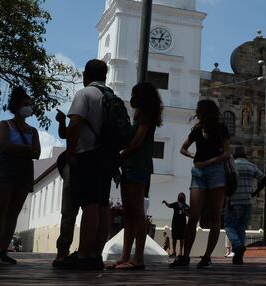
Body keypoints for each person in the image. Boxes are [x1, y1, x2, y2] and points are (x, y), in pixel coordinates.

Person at [58, 59, 117, 270]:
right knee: (103, 206)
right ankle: (96, 254)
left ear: (86, 75)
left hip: (88, 156)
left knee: (90, 206)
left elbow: (74, 125)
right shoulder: (111, 96)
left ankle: (83, 254)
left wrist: (71, 152)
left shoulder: (85, 94)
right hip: (108, 158)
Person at [0, 87, 40, 265]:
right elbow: (4, 145)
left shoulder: (33, 131)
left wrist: (19, 149)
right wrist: (25, 149)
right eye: (25, 104)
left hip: (24, 171)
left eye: (30, 104)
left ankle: (3, 250)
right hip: (5, 169)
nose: (28, 107)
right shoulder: (5, 125)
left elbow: (36, 152)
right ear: (16, 106)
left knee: (13, 212)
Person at [109, 81, 162, 270]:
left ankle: (137, 257)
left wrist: (121, 156)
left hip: (137, 165)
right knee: (130, 213)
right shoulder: (140, 116)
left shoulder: (145, 117)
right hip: (130, 166)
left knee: (137, 212)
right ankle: (126, 256)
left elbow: (137, 142)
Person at [172, 100, 231, 269]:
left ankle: (207, 257)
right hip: (199, 173)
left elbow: (227, 154)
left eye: (200, 111)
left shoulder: (221, 129)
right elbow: (183, 148)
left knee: (215, 216)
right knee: (193, 216)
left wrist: (207, 162)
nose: (197, 113)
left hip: (216, 172)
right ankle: (185, 256)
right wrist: (194, 157)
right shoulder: (197, 130)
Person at [224, 145, 266, 265]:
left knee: (229, 226)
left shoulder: (232, 166)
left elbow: (227, 183)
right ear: (245, 155)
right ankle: (239, 257)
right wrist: (255, 193)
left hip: (233, 200)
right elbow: (264, 179)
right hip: (247, 201)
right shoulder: (251, 166)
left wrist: (227, 199)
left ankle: (237, 246)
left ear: (234, 155)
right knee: (241, 228)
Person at [51, 109, 77, 268]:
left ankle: (63, 252)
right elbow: (65, 134)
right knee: (93, 209)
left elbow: (65, 134)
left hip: (76, 165)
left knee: (68, 211)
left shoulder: (82, 100)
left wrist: (62, 122)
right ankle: (88, 253)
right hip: (94, 165)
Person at [162, 193, 188, 258]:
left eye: (182, 196)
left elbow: (189, 214)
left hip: (182, 224)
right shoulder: (175, 204)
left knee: (182, 239)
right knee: (174, 238)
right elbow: (169, 205)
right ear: (178, 197)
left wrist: (185, 213)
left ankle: (181, 253)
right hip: (175, 224)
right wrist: (165, 202)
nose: (181, 197)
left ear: (184, 198)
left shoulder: (186, 206)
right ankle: (174, 252)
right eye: (180, 196)